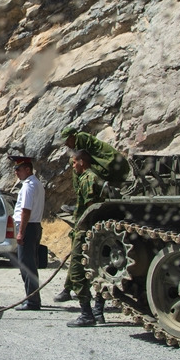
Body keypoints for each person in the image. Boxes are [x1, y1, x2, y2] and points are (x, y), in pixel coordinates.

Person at [65, 150, 108, 327]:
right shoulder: (95, 177)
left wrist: (88, 233)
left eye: (75, 162)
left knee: (77, 271)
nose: (73, 166)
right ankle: (98, 311)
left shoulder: (87, 178)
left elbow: (92, 208)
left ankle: (87, 313)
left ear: (82, 162)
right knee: (100, 270)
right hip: (98, 233)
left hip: (87, 232)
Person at [9, 155, 45, 311]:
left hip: (28, 227)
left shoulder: (29, 186)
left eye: (19, 169)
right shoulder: (35, 184)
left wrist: (21, 232)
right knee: (30, 263)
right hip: (33, 226)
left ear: (28, 169)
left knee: (27, 265)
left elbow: (26, 210)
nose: (16, 172)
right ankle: (33, 298)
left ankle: (32, 301)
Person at [60, 127, 131, 189]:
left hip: (113, 166)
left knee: (76, 164)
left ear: (72, 136)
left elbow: (82, 159)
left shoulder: (81, 137)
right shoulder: (80, 140)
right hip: (116, 167)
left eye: (67, 141)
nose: (66, 144)